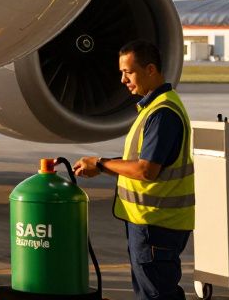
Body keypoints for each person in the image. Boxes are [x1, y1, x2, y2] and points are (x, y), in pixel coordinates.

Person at [76, 40, 194, 300]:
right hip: (152, 223)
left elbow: (146, 170)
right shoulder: (156, 107)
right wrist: (102, 165)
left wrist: (101, 164)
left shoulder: (162, 113)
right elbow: (144, 161)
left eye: (128, 72)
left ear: (150, 70)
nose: (122, 79)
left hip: (155, 224)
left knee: (155, 295)